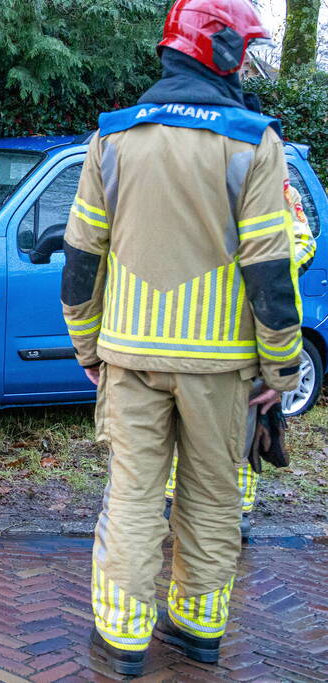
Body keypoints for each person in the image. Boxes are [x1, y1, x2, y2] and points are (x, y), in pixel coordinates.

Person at [61, 0, 303, 675]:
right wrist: (278, 372)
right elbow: (269, 274)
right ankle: (197, 632)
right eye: (244, 50)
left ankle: (122, 641)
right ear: (219, 51)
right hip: (221, 369)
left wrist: (87, 348)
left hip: (128, 362)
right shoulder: (254, 141)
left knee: (132, 498)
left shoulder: (111, 138)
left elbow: (79, 259)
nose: (247, 63)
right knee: (211, 497)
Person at [163, 179, 315, 537]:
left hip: (250, 326)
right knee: (184, 416)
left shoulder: (279, 190)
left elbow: (302, 243)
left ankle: (238, 512)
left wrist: (263, 267)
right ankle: (174, 502)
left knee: (248, 421)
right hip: (201, 325)